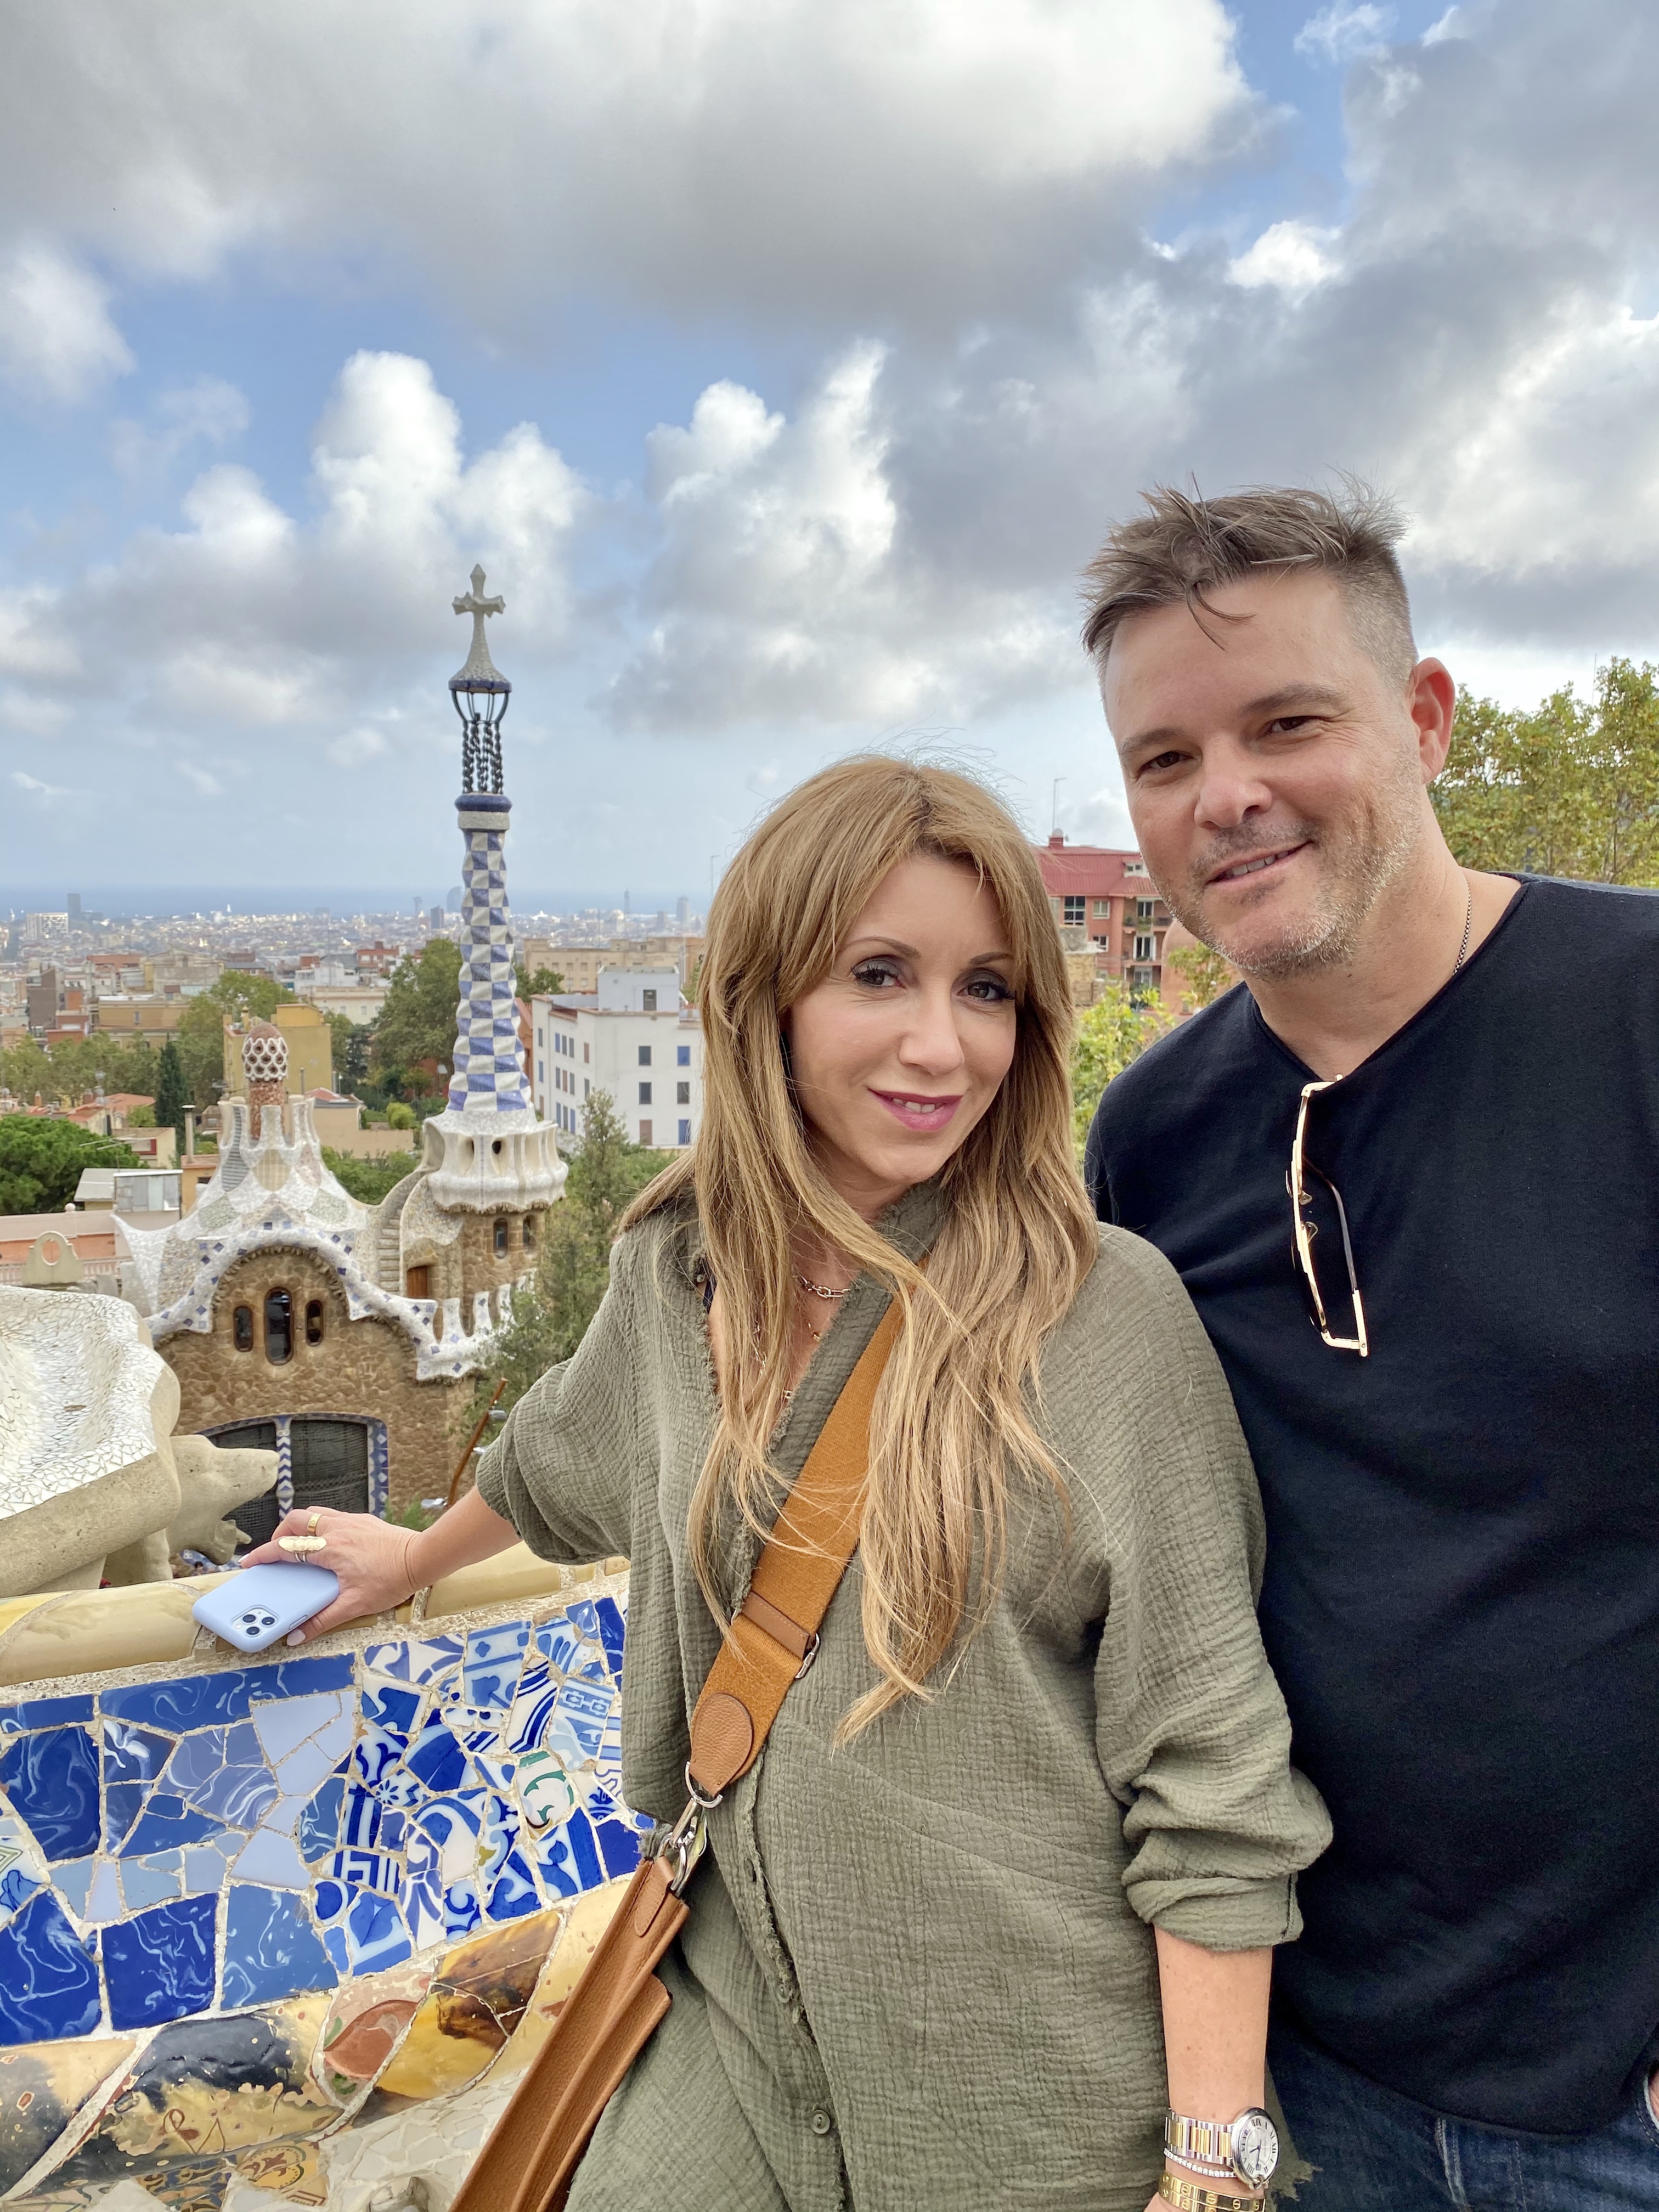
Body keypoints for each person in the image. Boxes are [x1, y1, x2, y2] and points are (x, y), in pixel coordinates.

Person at [245, 757, 1328, 2211]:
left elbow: (1210, 1769)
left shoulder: (1102, 1317)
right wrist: (407, 1561)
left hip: (1030, 2097)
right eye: (880, 974)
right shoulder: (677, 1269)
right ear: (770, 1003)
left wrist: (1213, 2161)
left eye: (988, 989)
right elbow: (561, 1452)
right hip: (739, 2028)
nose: (942, 1046)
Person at [1080, 484, 1659, 2210]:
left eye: (1286, 724)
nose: (1225, 795)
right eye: (1166, 758)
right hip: (1316, 2082)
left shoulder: (1636, 1016)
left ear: (1423, 720)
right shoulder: (1156, 1142)